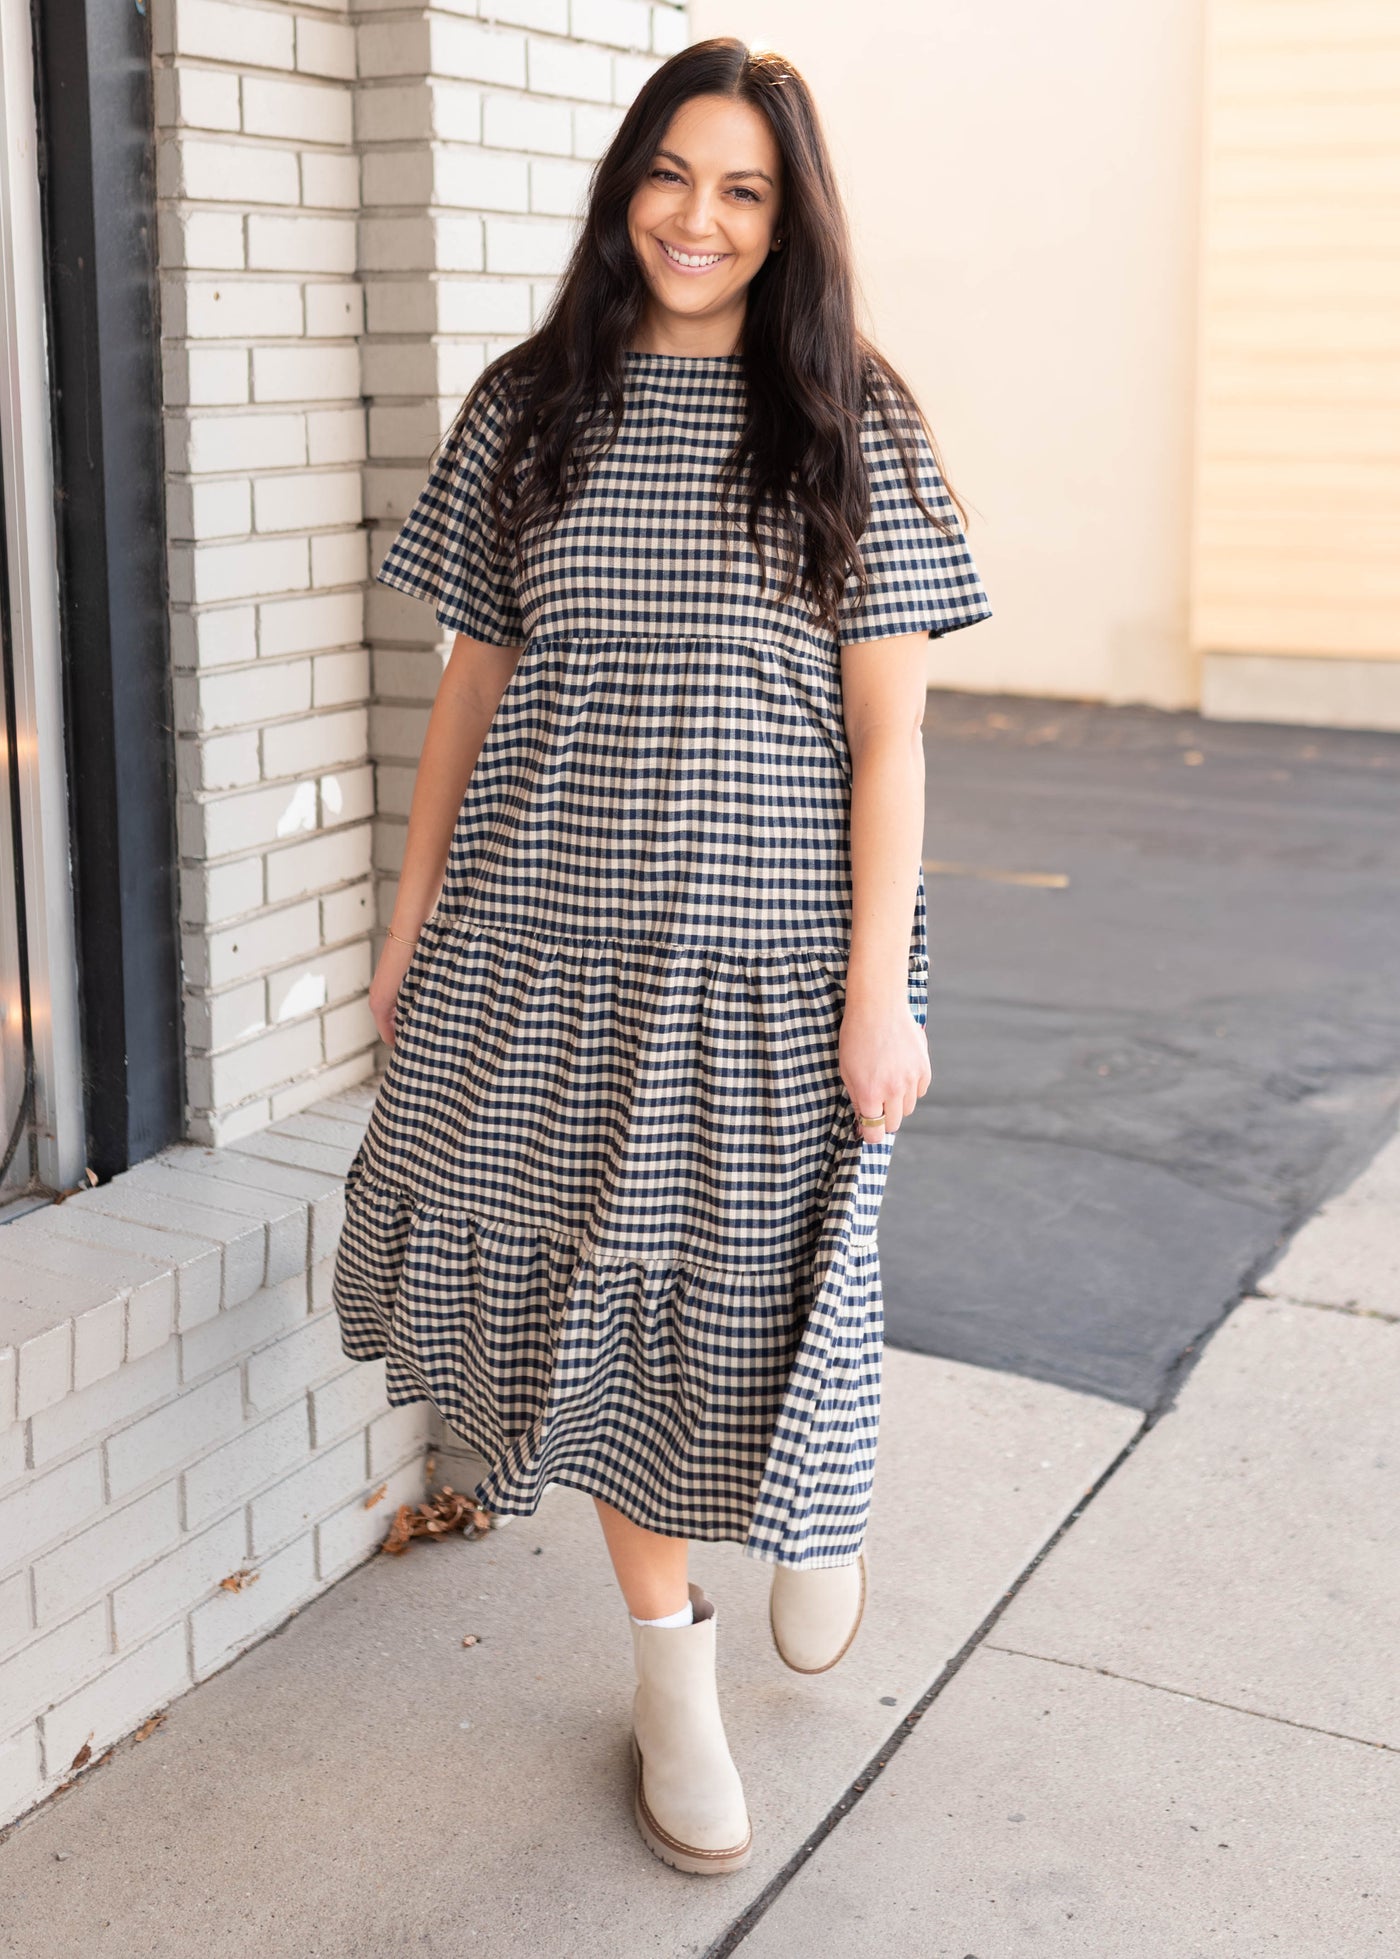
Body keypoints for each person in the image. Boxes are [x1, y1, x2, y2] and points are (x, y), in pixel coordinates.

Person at [331, 35, 990, 1877]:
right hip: (549, 949)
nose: (699, 218)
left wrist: (878, 987)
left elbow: (891, 739)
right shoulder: (528, 404)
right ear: (626, 184)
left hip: (773, 955)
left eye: (745, 189)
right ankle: (668, 1678)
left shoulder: (854, 419)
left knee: (775, 1285)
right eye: (672, 175)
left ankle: (817, 1509)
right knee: (605, 1313)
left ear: (790, 221)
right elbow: (471, 688)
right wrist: (409, 927)